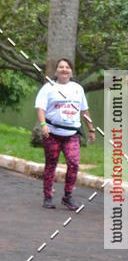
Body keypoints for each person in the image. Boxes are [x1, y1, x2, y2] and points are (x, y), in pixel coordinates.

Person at [35, 58, 95, 211]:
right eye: (61, 67)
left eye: (67, 67)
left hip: (71, 134)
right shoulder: (48, 88)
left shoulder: (77, 89)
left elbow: (84, 110)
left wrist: (91, 129)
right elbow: (41, 109)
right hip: (52, 134)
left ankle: (68, 196)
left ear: (71, 71)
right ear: (56, 71)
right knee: (51, 165)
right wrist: (43, 125)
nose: (64, 69)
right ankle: (48, 197)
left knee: (74, 163)